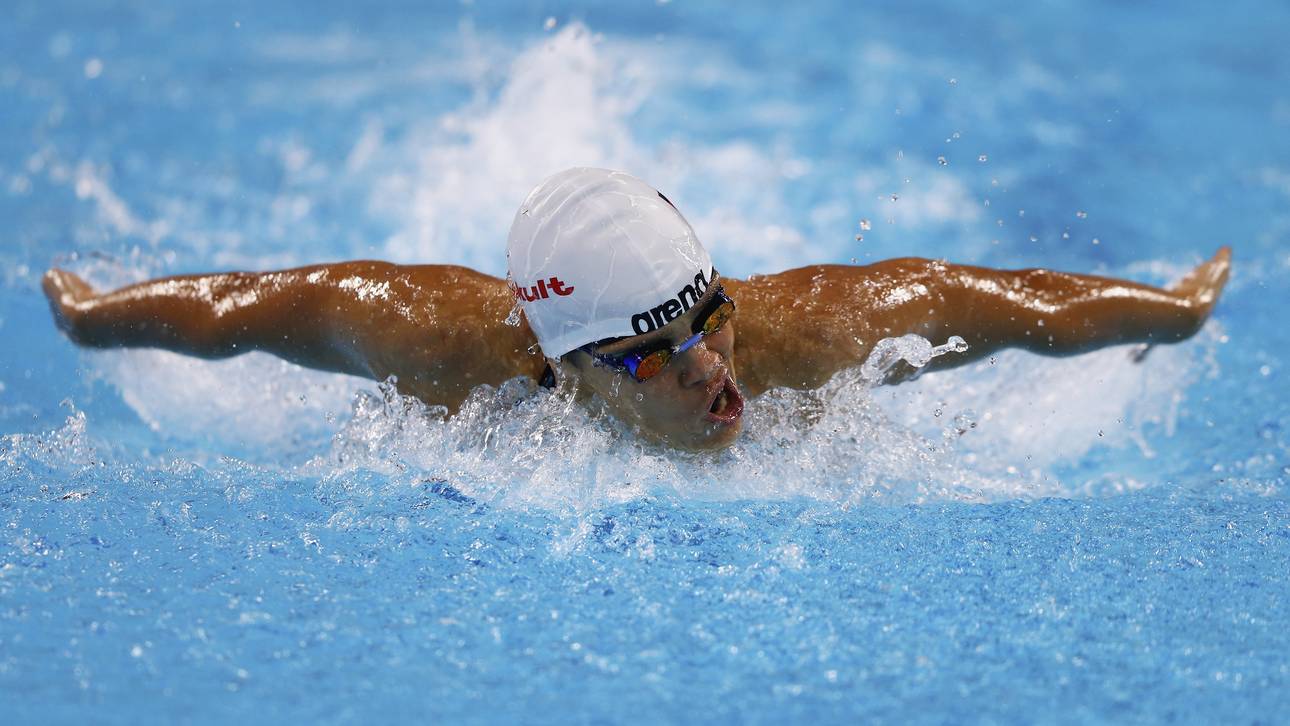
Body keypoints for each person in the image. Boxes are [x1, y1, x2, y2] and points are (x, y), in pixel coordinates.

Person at [42, 168, 1230, 450]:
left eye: (708, 318)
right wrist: (97, 318)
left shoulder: (805, 337)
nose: (717, 367)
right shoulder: (447, 352)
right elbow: (252, 306)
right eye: (658, 355)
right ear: (569, 371)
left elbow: (1013, 303)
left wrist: (1166, 313)